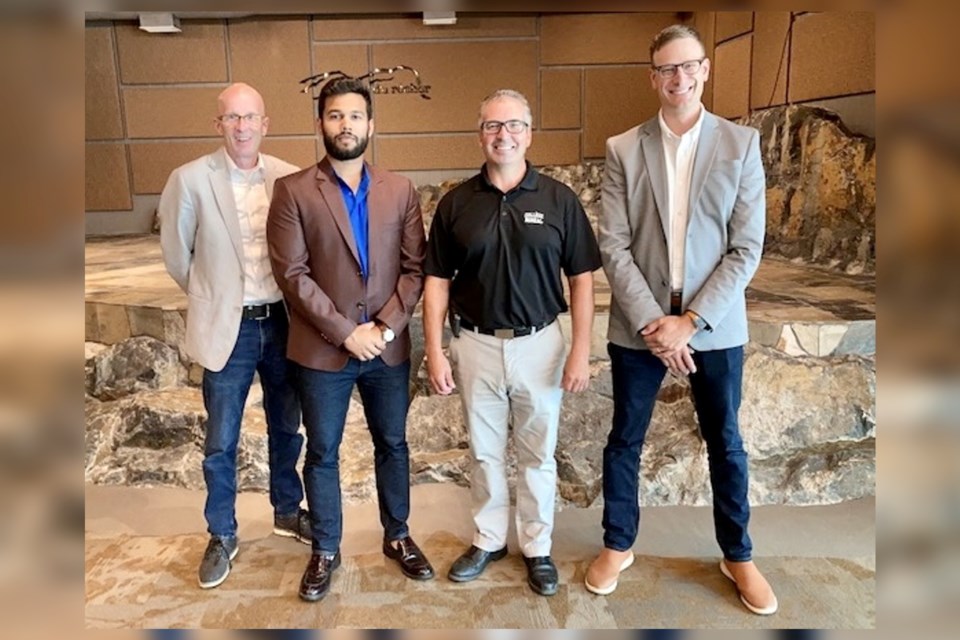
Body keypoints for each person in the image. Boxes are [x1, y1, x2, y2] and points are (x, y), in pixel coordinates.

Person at [588, 24, 778, 615]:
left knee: (725, 441)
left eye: (687, 66)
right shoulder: (623, 148)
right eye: (666, 69)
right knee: (624, 440)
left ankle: (738, 554)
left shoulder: (740, 145)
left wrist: (690, 321)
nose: (678, 77)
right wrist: (656, 323)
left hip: (714, 323)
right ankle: (618, 544)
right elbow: (613, 245)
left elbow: (747, 247)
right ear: (654, 78)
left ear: (703, 70)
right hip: (639, 323)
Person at [423, 89, 601, 597]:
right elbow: (436, 281)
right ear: (479, 134)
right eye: (493, 126)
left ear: (530, 133)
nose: (504, 135)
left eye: (514, 125)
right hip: (475, 344)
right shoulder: (457, 203)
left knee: (537, 454)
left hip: (541, 344)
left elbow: (582, 279)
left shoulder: (559, 200)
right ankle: (488, 539)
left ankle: (538, 547)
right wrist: (435, 350)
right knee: (483, 453)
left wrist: (580, 350)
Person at [266, 78, 433, 603]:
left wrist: (383, 329)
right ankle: (326, 549)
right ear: (321, 124)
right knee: (322, 452)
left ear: (371, 125)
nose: (346, 125)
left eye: (355, 116)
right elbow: (291, 275)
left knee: (394, 445)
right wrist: (345, 332)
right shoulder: (293, 190)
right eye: (335, 116)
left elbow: (415, 268)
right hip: (322, 350)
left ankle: (398, 535)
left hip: (387, 349)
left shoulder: (401, 189)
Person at [158, 82, 310, 590]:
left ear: (265, 124)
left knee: (287, 428)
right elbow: (179, 257)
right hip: (230, 326)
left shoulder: (289, 177)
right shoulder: (189, 179)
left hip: (284, 323)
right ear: (217, 124)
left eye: (251, 118)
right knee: (220, 440)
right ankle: (222, 532)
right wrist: (213, 294)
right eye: (232, 118)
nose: (242, 127)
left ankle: (287, 512)